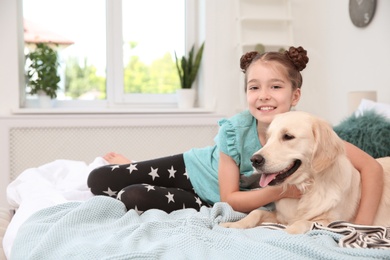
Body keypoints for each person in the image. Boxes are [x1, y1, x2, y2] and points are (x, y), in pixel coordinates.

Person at [88, 46, 383, 225]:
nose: (263, 96)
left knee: (132, 196)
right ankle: (136, 164)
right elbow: (230, 193)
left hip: (212, 202)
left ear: (295, 95)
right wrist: (281, 192)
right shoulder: (236, 128)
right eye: (254, 87)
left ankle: (164, 190)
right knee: (98, 179)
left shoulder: (307, 132)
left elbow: (370, 167)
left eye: (275, 87)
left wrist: (363, 224)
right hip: (194, 169)